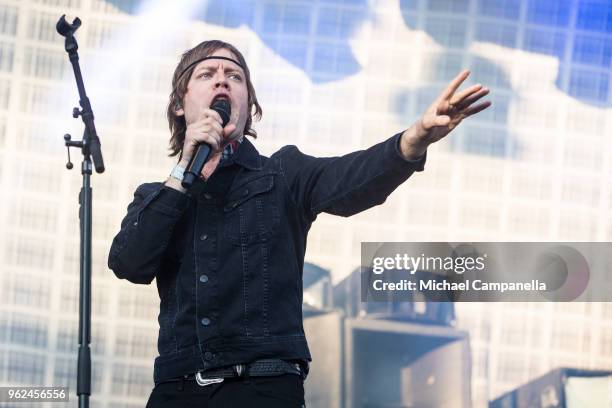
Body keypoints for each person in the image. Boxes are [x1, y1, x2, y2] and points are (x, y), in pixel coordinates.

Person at [107, 39, 490, 408]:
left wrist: (413, 140)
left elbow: (351, 180)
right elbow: (130, 263)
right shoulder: (156, 197)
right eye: (207, 73)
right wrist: (182, 176)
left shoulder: (283, 174)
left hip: (263, 387)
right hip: (179, 388)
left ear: (249, 106)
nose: (223, 79)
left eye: (235, 76)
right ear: (179, 104)